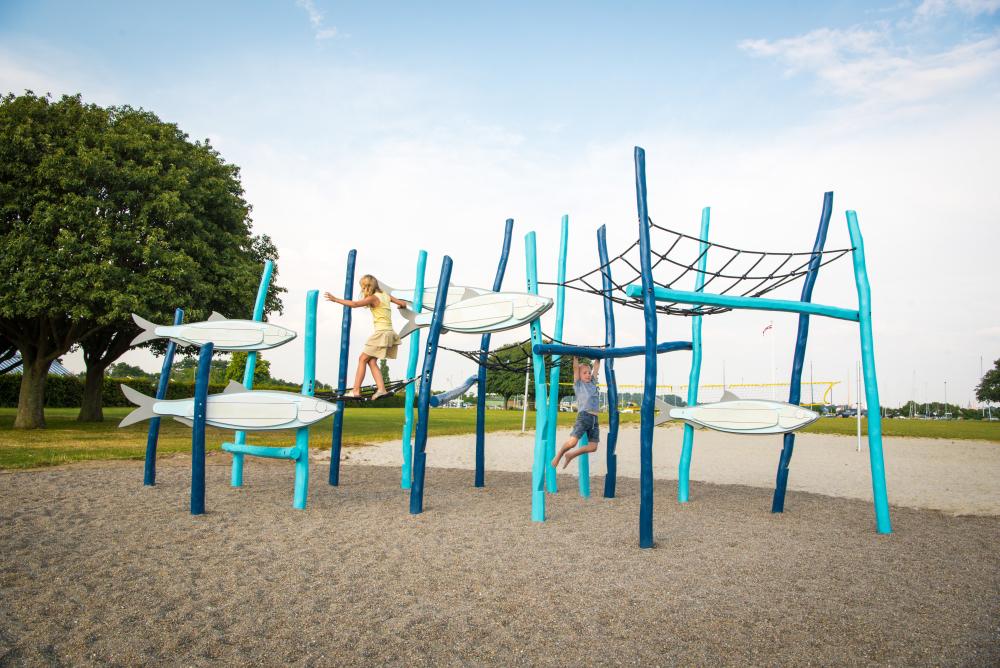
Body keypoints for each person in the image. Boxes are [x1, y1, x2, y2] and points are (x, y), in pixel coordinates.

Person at [324, 275, 407, 399]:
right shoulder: (385, 295)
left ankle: (356, 391)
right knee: (371, 361)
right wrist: (400, 306)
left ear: (367, 287)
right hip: (390, 332)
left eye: (363, 287)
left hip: (381, 333)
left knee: (362, 359)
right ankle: (381, 389)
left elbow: (355, 304)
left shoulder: (373, 298)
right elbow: (403, 303)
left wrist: (336, 299)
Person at [551, 356, 600, 469]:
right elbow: (575, 368)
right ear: (579, 375)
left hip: (594, 420)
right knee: (572, 442)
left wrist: (598, 358)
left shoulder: (593, 382)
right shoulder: (578, 384)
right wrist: (575, 358)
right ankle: (559, 455)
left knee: (593, 447)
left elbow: (596, 368)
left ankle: (571, 455)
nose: (588, 374)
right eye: (584, 373)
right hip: (584, 417)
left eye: (589, 372)